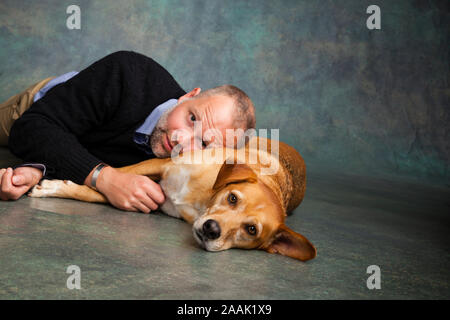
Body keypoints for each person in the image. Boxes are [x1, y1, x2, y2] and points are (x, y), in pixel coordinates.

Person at [0, 50, 256, 213]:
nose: (181, 140)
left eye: (203, 144)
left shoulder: (188, 168)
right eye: (192, 118)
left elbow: (83, 150)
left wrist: (38, 169)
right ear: (188, 96)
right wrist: (105, 178)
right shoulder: (128, 74)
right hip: (41, 106)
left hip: (72, 137)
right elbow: (31, 128)